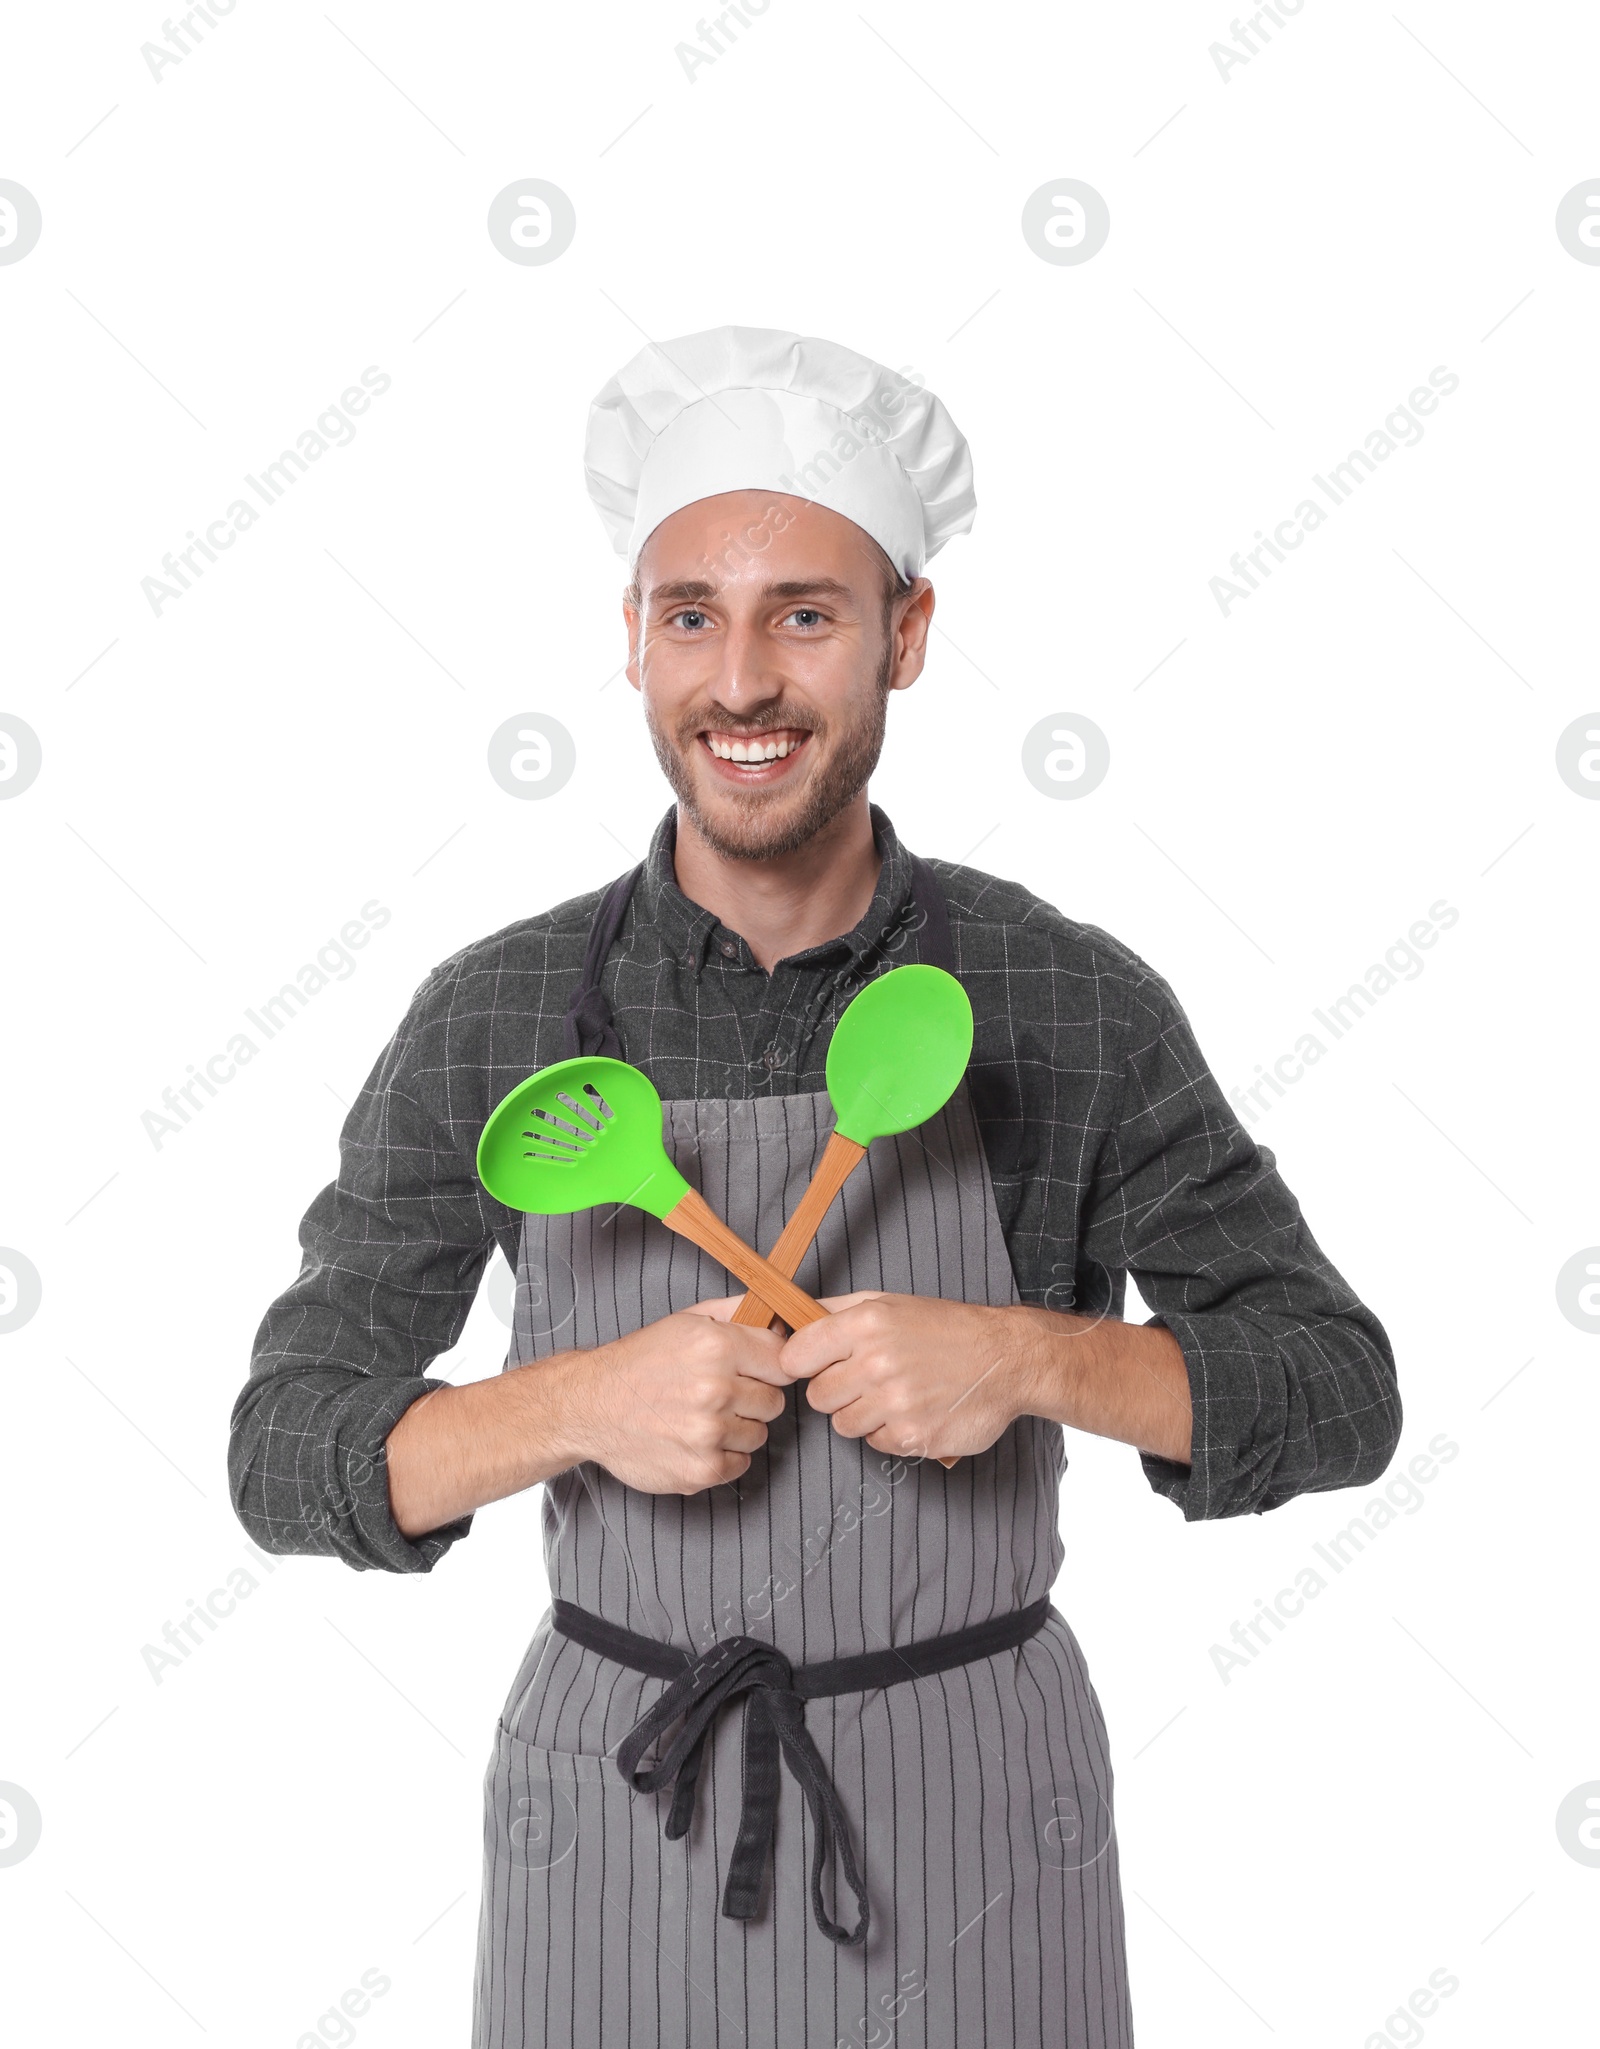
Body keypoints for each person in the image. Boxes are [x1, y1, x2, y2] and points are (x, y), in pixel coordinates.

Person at [230, 325, 1400, 2049]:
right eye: (692, 612)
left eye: (807, 612)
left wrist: (1027, 1360)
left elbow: (1337, 1389)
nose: (743, 681)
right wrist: (570, 1403)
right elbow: (284, 1446)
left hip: (981, 1814)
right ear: (630, 640)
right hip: (617, 1812)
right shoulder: (497, 1013)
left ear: (905, 636)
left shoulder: (1061, 997)